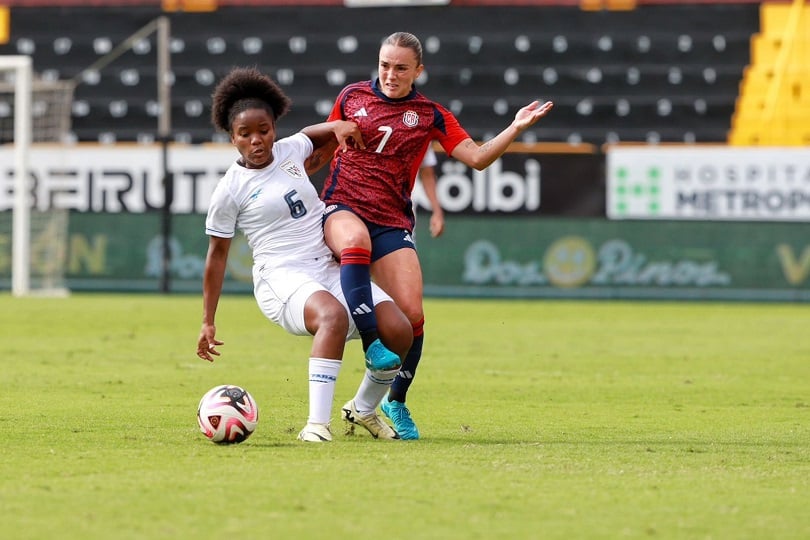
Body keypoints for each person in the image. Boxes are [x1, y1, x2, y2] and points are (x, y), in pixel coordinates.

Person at [319, 31, 553, 440]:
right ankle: (372, 344)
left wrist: (514, 127)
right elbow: (321, 146)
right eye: (384, 65)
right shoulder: (351, 95)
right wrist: (329, 131)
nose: (390, 75)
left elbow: (477, 158)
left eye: (401, 68)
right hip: (343, 204)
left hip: (391, 219)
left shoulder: (430, 114)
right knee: (354, 244)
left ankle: (391, 401)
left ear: (418, 71)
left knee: (411, 317)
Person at [196, 67, 413, 443]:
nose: (257, 141)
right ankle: (316, 424)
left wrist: (338, 127)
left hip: (325, 267)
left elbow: (315, 133)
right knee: (331, 315)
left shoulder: (289, 150)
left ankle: (362, 408)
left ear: (273, 128)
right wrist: (208, 321)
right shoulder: (229, 191)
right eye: (245, 134)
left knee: (399, 329)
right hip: (281, 276)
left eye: (263, 130)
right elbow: (216, 256)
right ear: (232, 138)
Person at [417, 145, 445, 238]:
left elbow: (427, 175)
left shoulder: (421, 132)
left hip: (402, 214)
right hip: (372, 209)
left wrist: (437, 212)